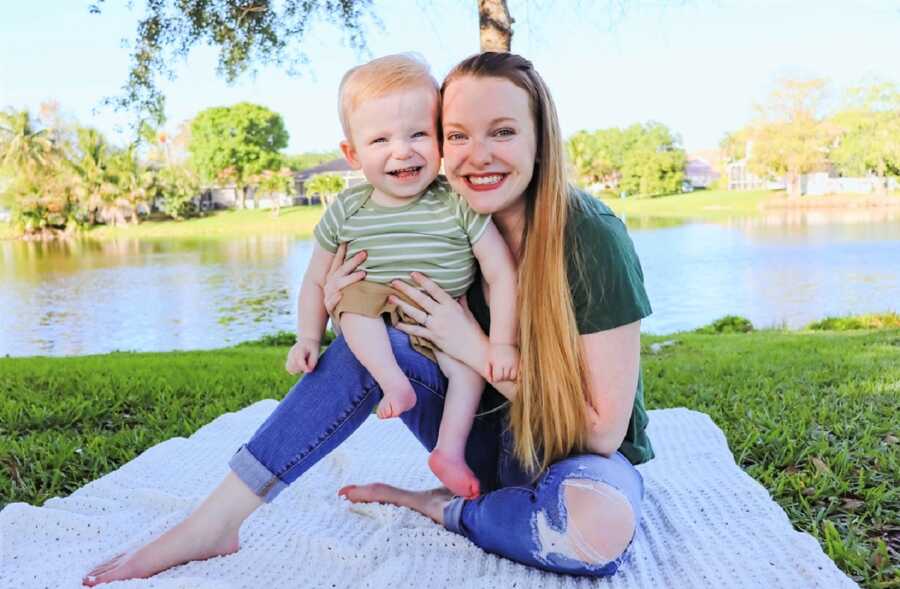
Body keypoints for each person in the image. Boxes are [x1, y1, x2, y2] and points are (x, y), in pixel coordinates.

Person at [82, 51, 653, 586]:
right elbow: (367, 321)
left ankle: (442, 507)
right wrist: (343, 303)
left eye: (503, 131)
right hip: (482, 435)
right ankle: (214, 523)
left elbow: (603, 429)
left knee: (596, 530)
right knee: (361, 346)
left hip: (572, 457)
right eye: (457, 135)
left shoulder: (589, 236)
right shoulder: (435, 215)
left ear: (540, 140)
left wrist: (475, 347)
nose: (478, 155)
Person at [288, 53, 518, 499]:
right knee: (351, 303)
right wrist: (308, 338)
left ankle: (448, 452)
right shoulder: (347, 209)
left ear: (439, 140)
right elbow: (316, 281)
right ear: (352, 153)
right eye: (380, 140)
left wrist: (503, 343)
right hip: (375, 311)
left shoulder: (456, 202)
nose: (403, 150)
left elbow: (500, 271)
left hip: (447, 323)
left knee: (469, 373)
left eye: (418, 134)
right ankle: (392, 383)